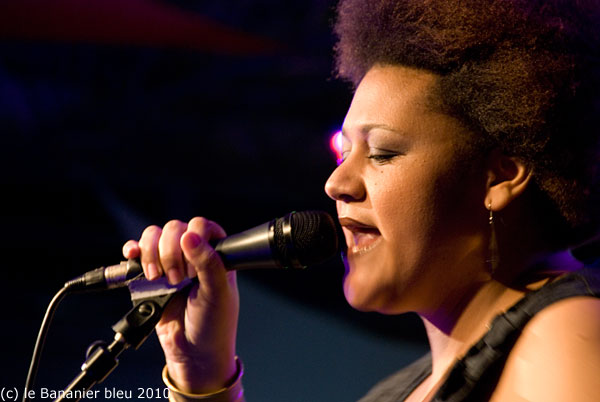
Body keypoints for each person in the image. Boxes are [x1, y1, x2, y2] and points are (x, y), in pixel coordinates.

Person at [122, 0, 600, 400]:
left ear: (500, 176)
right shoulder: (394, 392)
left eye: (383, 153)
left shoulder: (569, 337)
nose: (336, 184)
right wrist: (203, 375)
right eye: (344, 152)